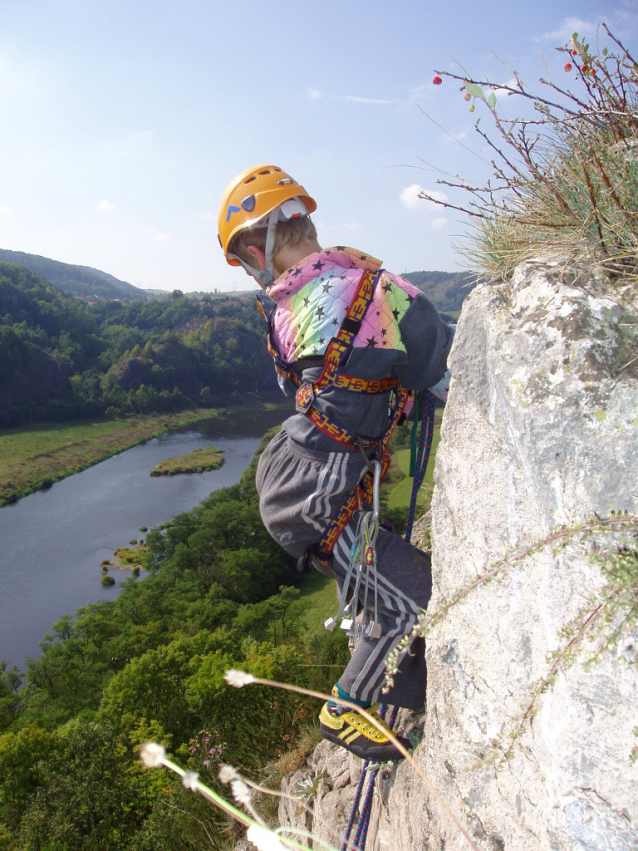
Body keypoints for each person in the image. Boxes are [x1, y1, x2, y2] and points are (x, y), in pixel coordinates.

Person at [217, 164, 453, 761]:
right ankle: (348, 708)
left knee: (387, 591)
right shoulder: (380, 286)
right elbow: (431, 358)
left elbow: (312, 387)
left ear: (255, 247)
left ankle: (403, 686)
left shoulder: (286, 310)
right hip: (320, 495)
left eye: (246, 257)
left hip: (306, 487)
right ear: (302, 221)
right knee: (416, 595)